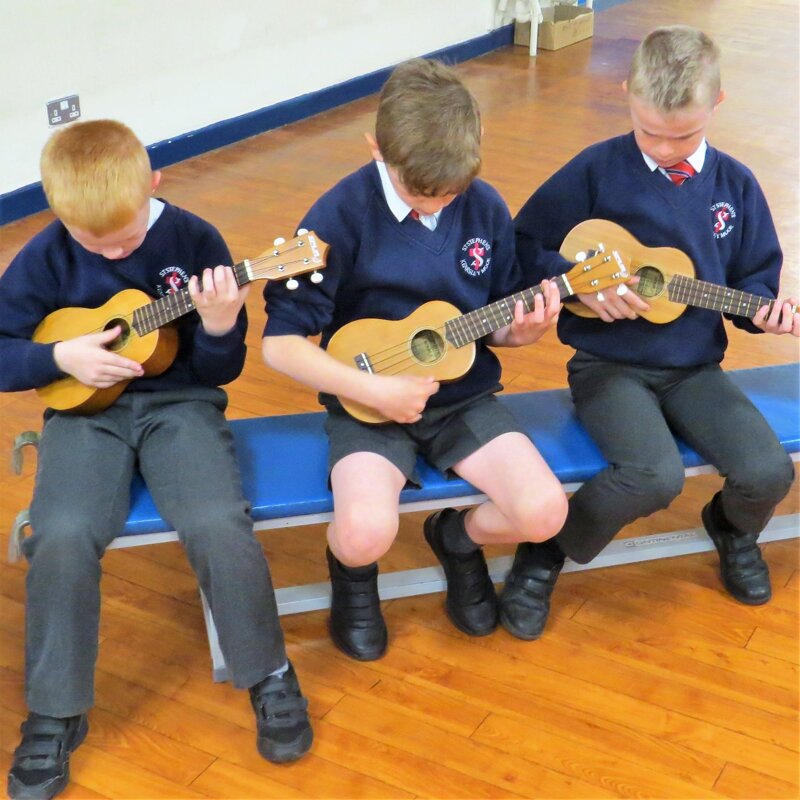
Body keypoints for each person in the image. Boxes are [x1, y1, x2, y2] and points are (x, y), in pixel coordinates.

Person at [0, 120, 312, 800]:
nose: (114, 249)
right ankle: (55, 710)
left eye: (128, 237)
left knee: (217, 520)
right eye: (95, 242)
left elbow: (217, 370)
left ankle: (269, 673)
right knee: (59, 532)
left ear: (155, 185)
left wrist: (223, 324)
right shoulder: (44, 257)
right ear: (58, 214)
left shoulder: (196, 243)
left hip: (181, 405)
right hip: (85, 417)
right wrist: (59, 357)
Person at [262, 58, 567, 661]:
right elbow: (280, 344)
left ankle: (455, 539)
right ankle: (353, 580)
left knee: (545, 513)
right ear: (376, 147)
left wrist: (520, 334)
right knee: (364, 532)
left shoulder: (484, 208)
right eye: (416, 193)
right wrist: (371, 392)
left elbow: (493, 320)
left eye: (448, 195)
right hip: (366, 403)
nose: (434, 208)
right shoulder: (334, 217)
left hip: (462, 399)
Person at [510, 25, 798, 641]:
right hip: (607, 366)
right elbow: (522, 244)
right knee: (652, 475)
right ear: (627, 95)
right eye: (649, 132)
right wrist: (574, 281)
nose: (665, 150)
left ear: (716, 105)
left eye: (684, 135)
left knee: (769, 471)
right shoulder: (595, 170)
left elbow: (751, 286)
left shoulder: (736, 187)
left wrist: (763, 312)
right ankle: (546, 554)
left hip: (694, 368)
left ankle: (732, 529)